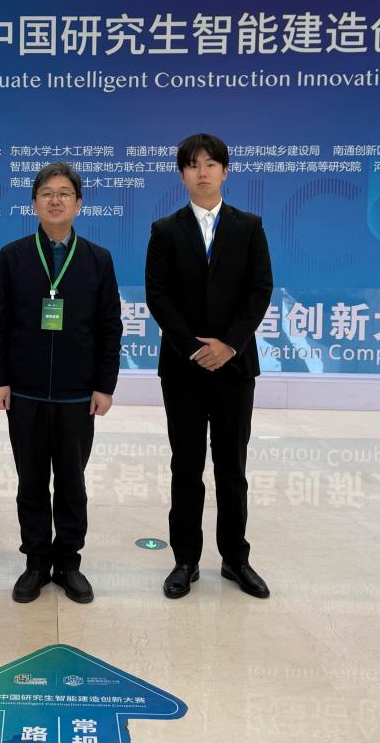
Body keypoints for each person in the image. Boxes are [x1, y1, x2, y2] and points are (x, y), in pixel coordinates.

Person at [0, 161, 122, 604]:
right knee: (30, 481)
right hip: (23, 390)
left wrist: (104, 385)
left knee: (71, 482)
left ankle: (68, 562)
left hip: (77, 393)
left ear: (79, 204)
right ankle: (35, 562)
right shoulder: (13, 256)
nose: (56, 200)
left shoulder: (98, 260)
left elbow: (109, 326)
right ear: (34, 204)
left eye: (64, 193)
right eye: (47, 193)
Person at [145, 133, 274, 600]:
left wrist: (230, 346)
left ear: (225, 171)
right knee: (186, 465)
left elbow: (260, 289)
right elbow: (157, 295)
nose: (202, 172)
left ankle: (235, 558)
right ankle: (186, 560)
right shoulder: (165, 230)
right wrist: (193, 348)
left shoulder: (249, 226)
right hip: (183, 369)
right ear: (182, 174)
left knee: (231, 466)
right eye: (193, 164)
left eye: (211, 164)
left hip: (235, 369)